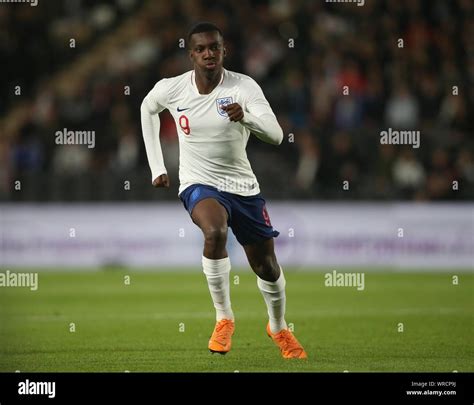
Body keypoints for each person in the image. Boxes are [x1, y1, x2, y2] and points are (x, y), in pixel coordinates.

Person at [141, 22, 307, 359]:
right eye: (200, 49)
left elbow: (276, 135)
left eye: (214, 47)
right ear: (191, 54)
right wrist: (157, 166)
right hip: (197, 183)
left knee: (267, 267)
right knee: (214, 232)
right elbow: (147, 108)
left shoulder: (244, 87)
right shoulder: (172, 89)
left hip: (242, 187)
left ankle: (278, 327)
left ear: (223, 51)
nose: (208, 54)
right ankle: (224, 319)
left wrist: (247, 117)